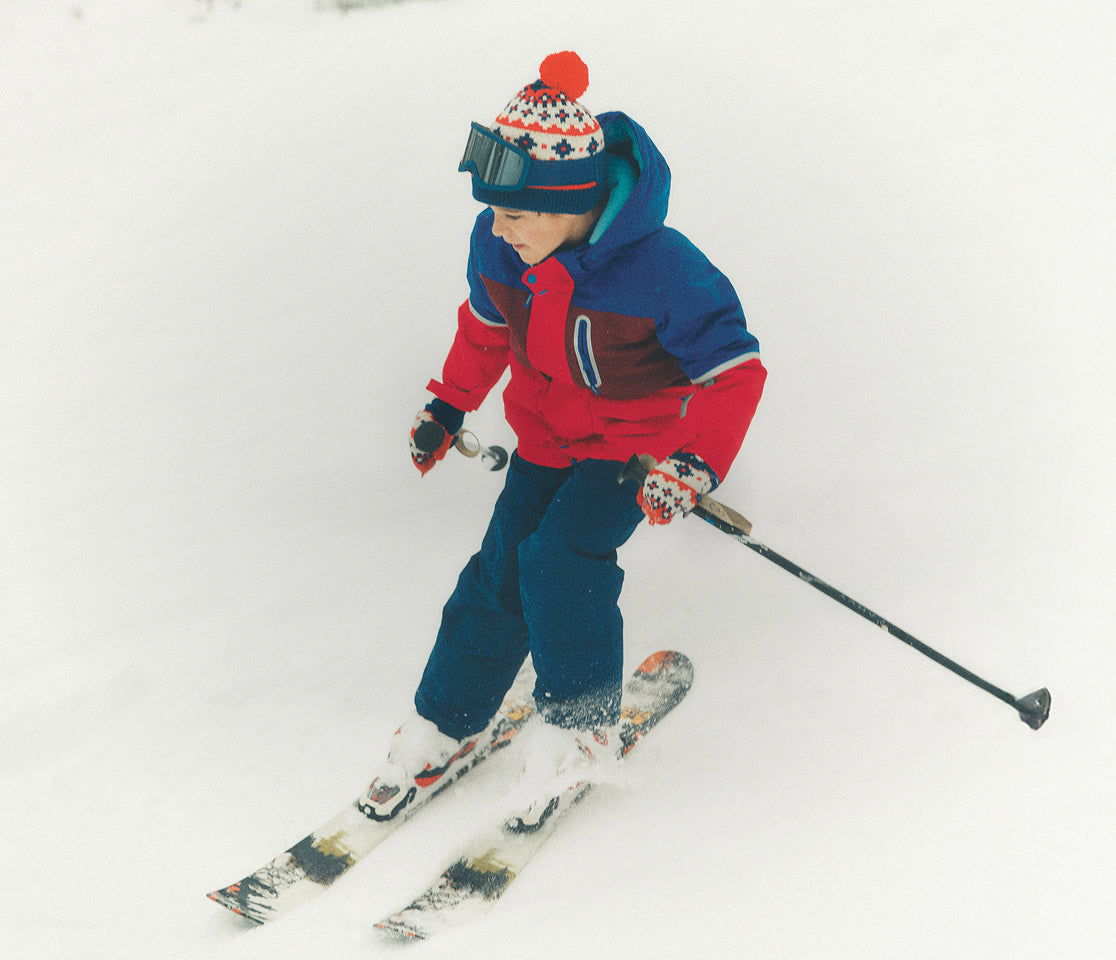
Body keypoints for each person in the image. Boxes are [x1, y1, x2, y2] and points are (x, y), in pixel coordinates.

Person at [364, 51, 766, 819]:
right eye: (493, 210)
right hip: (546, 437)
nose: (498, 227)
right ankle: (442, 723)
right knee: (501, 568)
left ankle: (580, 731)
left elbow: (734, 372)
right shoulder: (500, 244)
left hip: (635, 448)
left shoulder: (664, 270)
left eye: (516, 213)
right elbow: (485, 328)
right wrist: (448, 405)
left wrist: (694, 462)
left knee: (560, 560)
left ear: (571, 201)